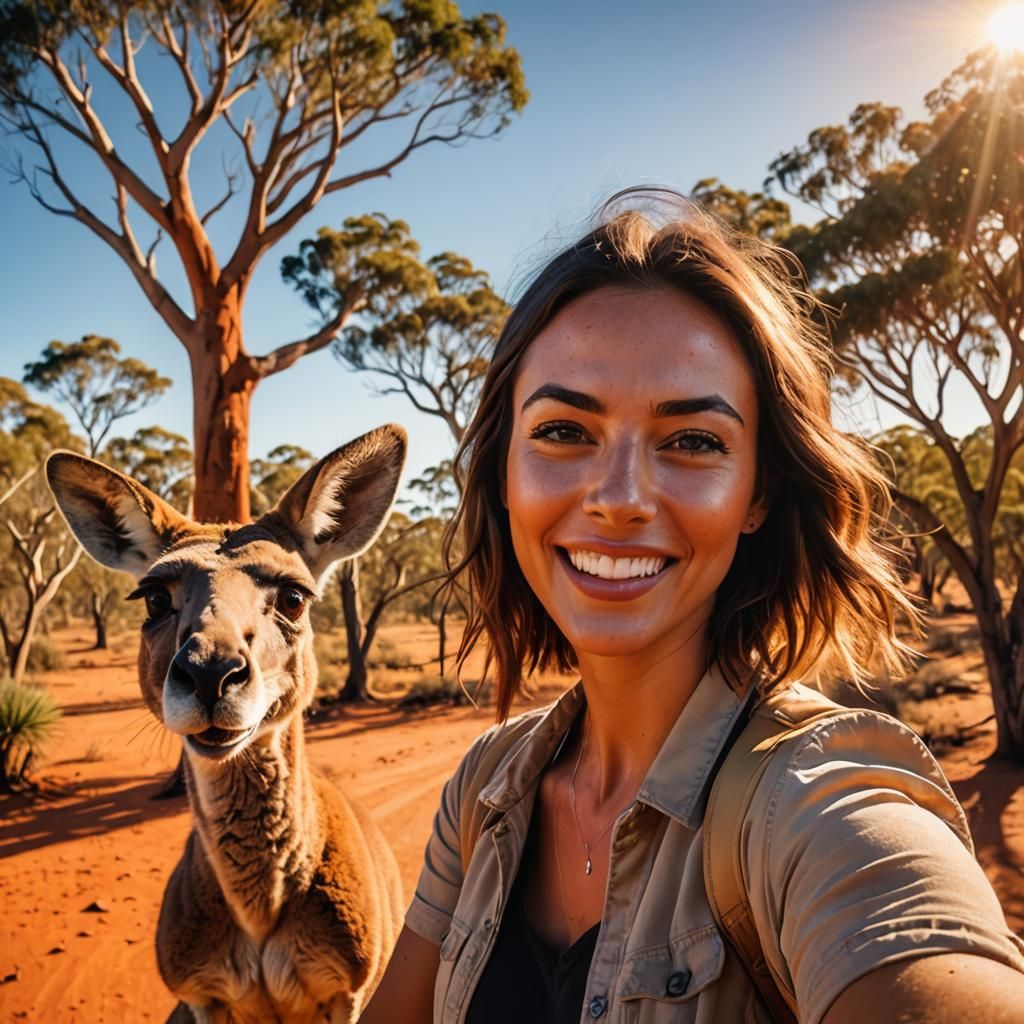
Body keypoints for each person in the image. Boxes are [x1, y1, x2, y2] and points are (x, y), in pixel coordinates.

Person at [359, 190, 1024, 1023]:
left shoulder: (816, 809)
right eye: (565, 430)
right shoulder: (484, 795)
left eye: (693, 441)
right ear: (501, 474)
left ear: (757, 493)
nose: (620, 498)